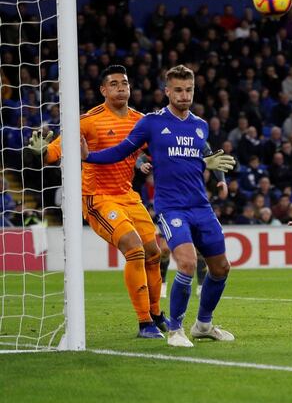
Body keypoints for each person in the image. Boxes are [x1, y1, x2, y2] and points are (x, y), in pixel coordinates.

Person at [82, 65, 237, 347]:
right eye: (178, 90)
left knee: (222, 267)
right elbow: (121, 151)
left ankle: (203, 324)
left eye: (188, 90)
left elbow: (208, 154)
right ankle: (176, 329)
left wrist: (221, 179)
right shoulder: (151, 123)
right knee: (188, 263)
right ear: (167, 91)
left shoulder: (200, 125)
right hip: (171, 207)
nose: (184, 95)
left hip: (200, 206)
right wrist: (88, 156)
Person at [28, 65, 167, 338]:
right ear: (103, 90)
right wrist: (39, 153)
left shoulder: (140, 121)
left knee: (156, 253)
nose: (120, 88)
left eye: (124, 83)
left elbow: (163, 150)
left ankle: (156, 313)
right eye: (114, 84)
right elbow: (53, 153)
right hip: (98, 198)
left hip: (128, 196)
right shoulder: (88, 121)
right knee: (135, 249)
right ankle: (144, 324)